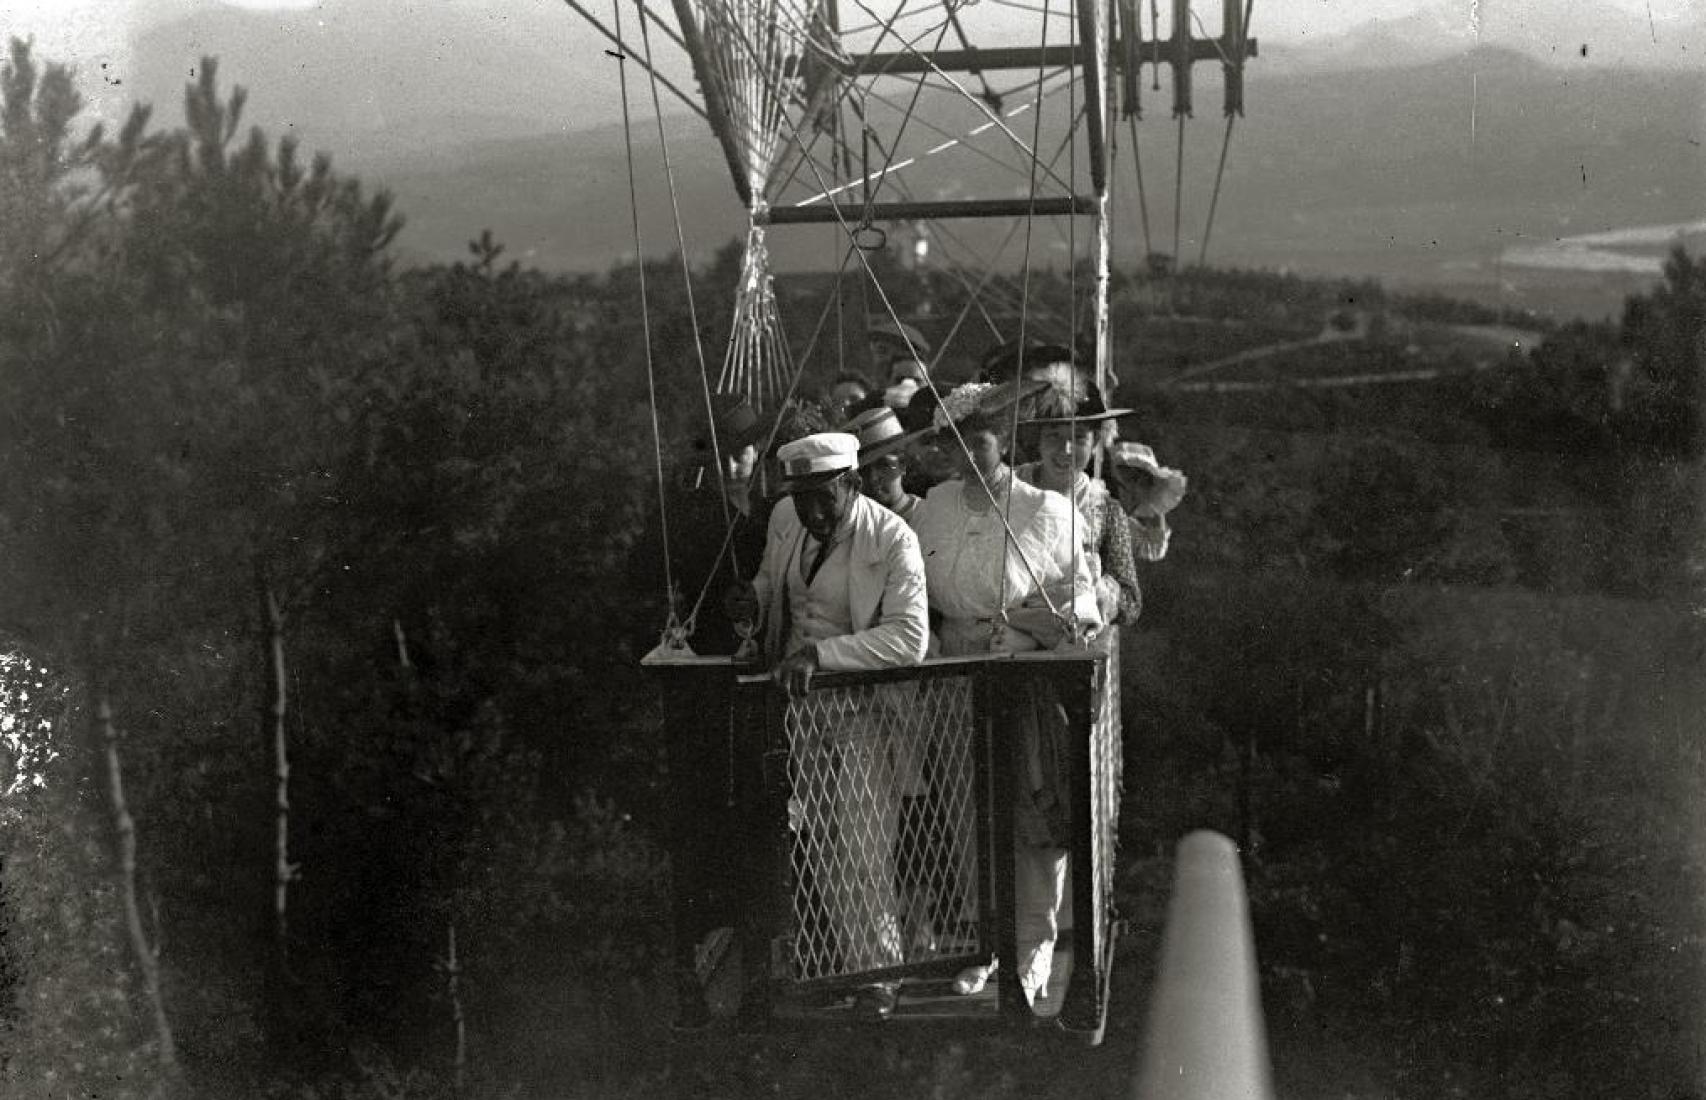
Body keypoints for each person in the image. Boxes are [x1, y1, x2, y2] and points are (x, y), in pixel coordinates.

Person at [909, 381, 1102, 1006]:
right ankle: (986, 944)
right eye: (956, 438)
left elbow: (1080, 598)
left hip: (1022, 677)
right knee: (969, 812)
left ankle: (1034, 946)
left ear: (1005, 437)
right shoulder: (932, 507)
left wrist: (1023, 626)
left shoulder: (1045, 512)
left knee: (1030, 810)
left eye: (983, 436)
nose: (969, 449)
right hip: (954, 677)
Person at [728, 431, 929, 1020]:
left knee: (864, 843)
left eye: (826, 499)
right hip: (799, 715)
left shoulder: (893, 539)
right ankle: (846, 966)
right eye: (802, 498)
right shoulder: (788, 520)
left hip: (863, 711)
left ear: (853, 483)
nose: (814, 513)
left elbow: (909, 637)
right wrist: (752, 605)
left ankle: (881, 977)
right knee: (818, 841)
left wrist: (822, 656)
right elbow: (774, 584)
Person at [1016, 377, 1142, 626]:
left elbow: (1131, 601)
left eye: (1079, 438)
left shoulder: (1105, 510)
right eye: (1054, 436)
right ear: (1038, 440)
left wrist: (1099, 591)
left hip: (1074, 640)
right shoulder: (1009, 489)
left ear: (1095, 443)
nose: (1066, 449)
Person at [1107, 441, 1188, 562]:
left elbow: (1154, 547)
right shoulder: (1096, 498)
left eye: (1146, 481)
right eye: (1131, 477)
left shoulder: (1125, 525)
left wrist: (1158, 506)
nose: (1135, 486)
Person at [842, 406, 922, 524]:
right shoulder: (853, 526)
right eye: (863, 470)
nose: (873, 478)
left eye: (883, 465)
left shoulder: (930, 516)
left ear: (903, 464)